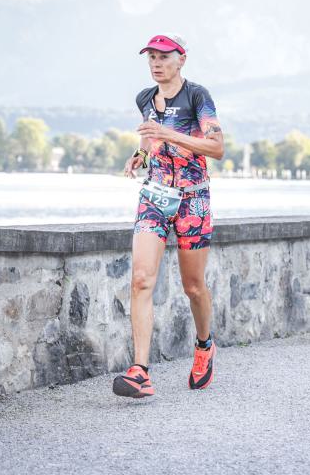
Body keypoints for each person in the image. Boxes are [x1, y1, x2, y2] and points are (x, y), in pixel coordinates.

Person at [112, 34, 225, 398]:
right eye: (151, 58)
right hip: (155, 196)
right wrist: (142, 155)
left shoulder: (197, 97)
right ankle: (140, 372)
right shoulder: (145, 98)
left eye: (163, 57)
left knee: (193, 286)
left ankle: (204, 345)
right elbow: (149, 137)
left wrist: (168, 133)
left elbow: (216, 147)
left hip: (193, 199)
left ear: (181, 60)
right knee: (141, 279)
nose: (156, 63)